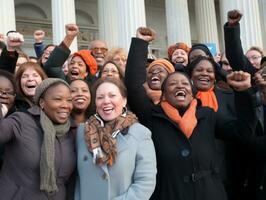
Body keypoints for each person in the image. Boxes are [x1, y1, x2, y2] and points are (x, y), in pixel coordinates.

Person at [125, 27, 258, 200]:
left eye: (185, 84)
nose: (180, 86)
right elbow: (134, 86)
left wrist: (243, 93)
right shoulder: (152, 115)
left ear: (192, 92)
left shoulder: (207, 115)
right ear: (164, 94)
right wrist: (141, 43)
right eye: (173, 84)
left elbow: (244, 132)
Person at [74, 77, 157, 200]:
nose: (106, 101)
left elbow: (145, 183)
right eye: (100, 97)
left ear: (124, 100)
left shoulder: (140, 133)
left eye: (112, 95)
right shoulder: (82, 132)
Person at [0, 78, 76, 199]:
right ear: (42, 103)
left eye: (69, 100)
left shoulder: (72, 132)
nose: (65, 105)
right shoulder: (21, 121)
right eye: (58, 99)